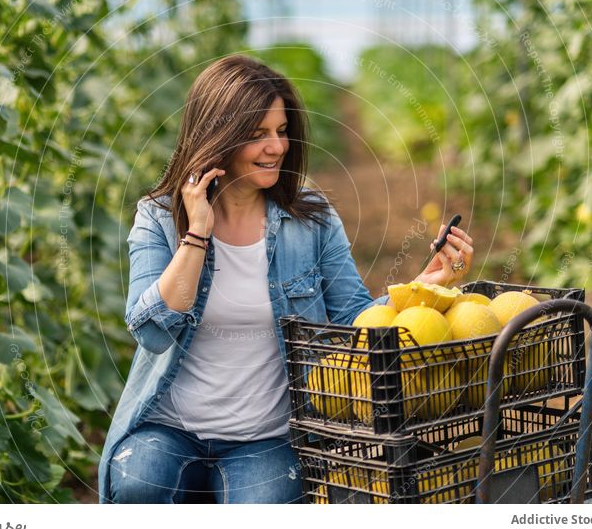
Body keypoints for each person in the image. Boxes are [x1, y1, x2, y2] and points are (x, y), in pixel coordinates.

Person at [98, 54, 474, 504]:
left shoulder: (309, 217)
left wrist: (423, 288)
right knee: (139, 485)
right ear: (217, 138)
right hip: (170, 428)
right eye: (257, 135)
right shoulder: (159, 217)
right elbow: (152, 331)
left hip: (267, 436)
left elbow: (352, 317)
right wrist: (197, 233)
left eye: (281, 131)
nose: (276, 147)